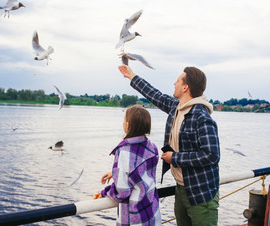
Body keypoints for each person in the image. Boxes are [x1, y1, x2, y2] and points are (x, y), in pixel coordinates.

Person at [118, 65, 220, 226]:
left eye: (178, 80)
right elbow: (154, 94)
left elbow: (212, 155)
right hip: (181, 189)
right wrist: (131, 76)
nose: (174, 83)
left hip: (201, 193)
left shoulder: (201, 117)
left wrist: (175, 158)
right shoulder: (176, 108)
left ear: (185, 87)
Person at [93, 105, 162, 226]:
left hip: (135, 218)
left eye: (124, 120)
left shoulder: (124, 151)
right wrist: (115, 173)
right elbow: (139, 171)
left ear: (128, 125)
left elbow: (122, 192)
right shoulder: (152, 147)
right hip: (152, 212)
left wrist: (105, 192)